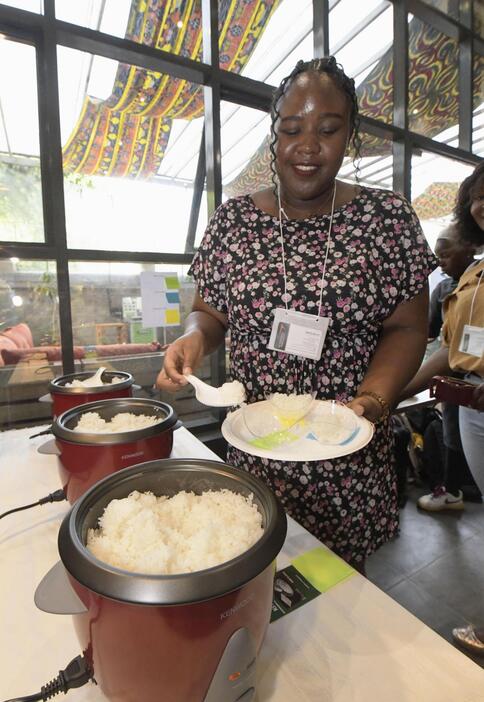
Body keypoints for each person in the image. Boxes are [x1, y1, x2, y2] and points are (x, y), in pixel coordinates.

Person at [157, 57, 436, 572]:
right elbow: (210, 311)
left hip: (346, 452)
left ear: (349, 137)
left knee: (333, 599)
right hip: (255, 449)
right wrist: (194, 339)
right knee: (252, 581)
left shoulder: (386, 219)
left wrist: (372, 400)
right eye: (292, 129)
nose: (307, 146)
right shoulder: (234, 221)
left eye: (328, 130)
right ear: (274, 135)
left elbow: (407, 326)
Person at [400, 161, 484, 655]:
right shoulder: (473, 272)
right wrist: (388, 395)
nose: (483, 203)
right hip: (472, 404)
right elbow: (450, 353)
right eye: (476, 195)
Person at [414, 225, 477, 510]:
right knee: (450, 429)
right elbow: (440, 341)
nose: (440, 262)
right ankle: (452, 490)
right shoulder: (449, 287)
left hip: (469, 379)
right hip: (459, 385)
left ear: (470, 246)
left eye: (446, 254)